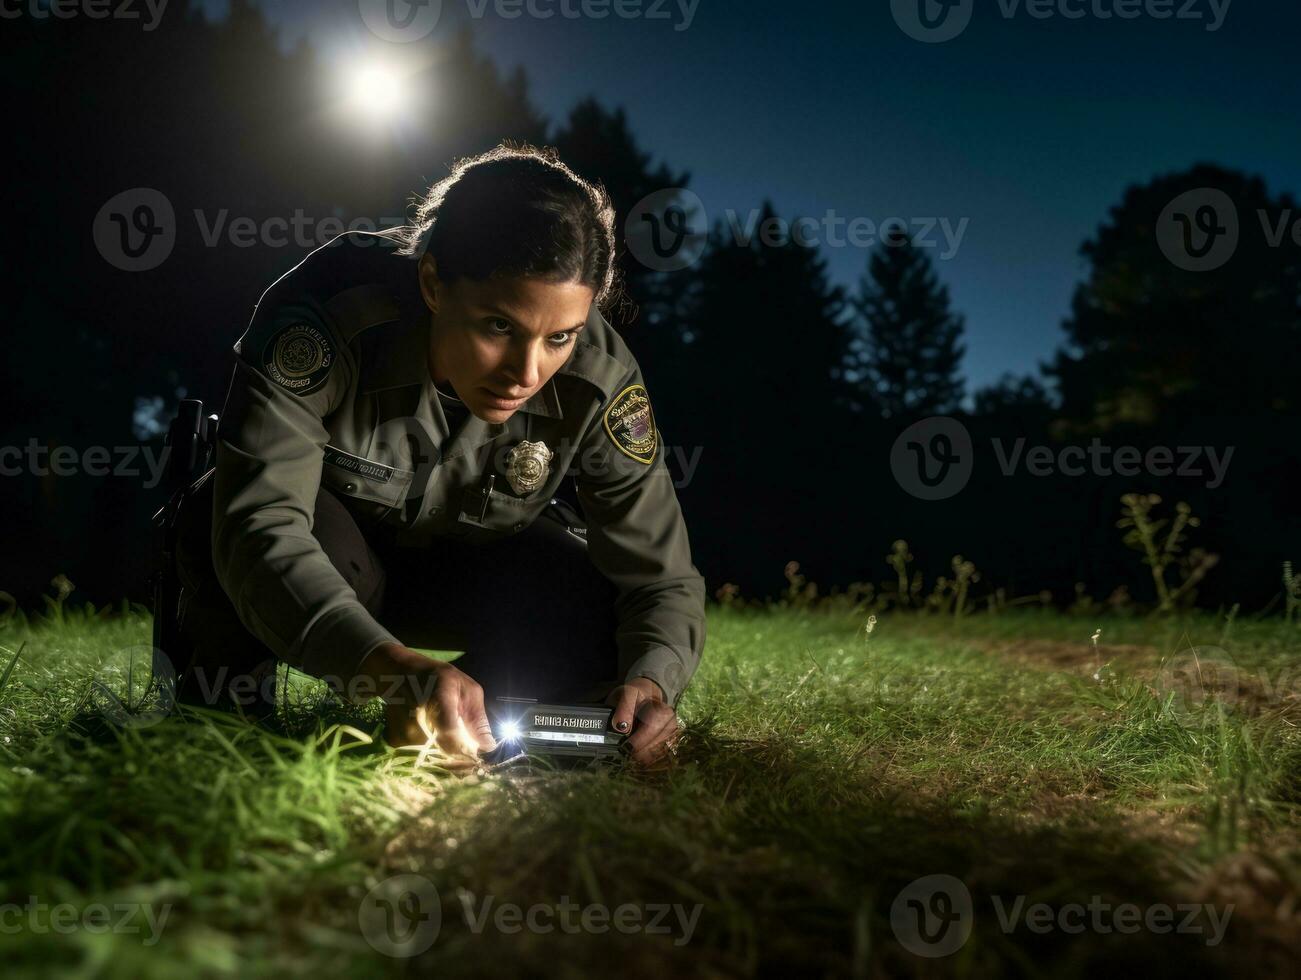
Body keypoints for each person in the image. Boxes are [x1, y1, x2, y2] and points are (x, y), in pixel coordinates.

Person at [171, 143, 706, 767]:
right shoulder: (323, 320)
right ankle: (229, 708)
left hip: (471, 576)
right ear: (432, 283)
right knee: (217, 507)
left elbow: (658, 575)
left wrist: (651, 682)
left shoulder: (603, 377)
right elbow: (258, 523)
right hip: (336, 564)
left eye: (559, 337)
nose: (526, 372)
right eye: (498, 327)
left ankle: (485, 718)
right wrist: (386, 670)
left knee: (594, 597)